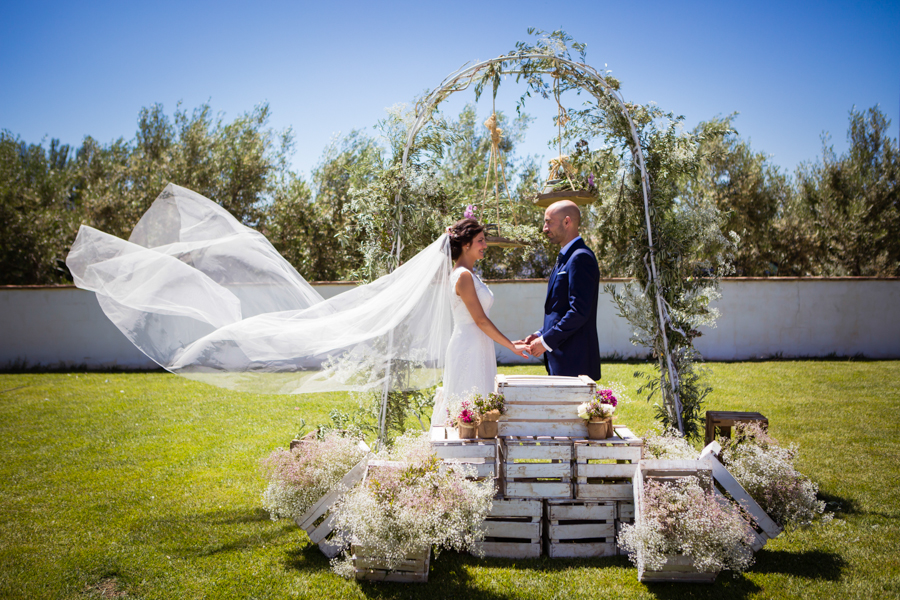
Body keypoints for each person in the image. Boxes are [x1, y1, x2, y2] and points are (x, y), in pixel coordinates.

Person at [433, 218, 531, 426]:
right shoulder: (463, 276)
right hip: (469, 347)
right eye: (481, 240)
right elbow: (480, 320)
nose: (485, 246)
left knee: (478, 404)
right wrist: (511, 345)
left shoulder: (468, 274)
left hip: (478, 344)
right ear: (466, 245)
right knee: (468, 405)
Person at [518, 200, 602, 380]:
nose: (544, 228)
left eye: (549, 222)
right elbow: (560, 309)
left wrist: (546, 342)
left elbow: (579, 311)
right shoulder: (565, 257)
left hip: (575, 362)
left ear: (567, 222)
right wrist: (540, 334)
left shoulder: (581, 258)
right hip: (562, 361)